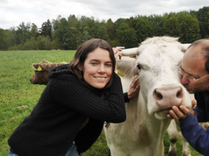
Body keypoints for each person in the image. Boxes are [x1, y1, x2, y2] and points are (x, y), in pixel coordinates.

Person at [8, 39, 139, 156]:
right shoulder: (64, 83)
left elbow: (90, 101)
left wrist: (125, 96)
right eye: (94, 63)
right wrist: (114, 74)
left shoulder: (82, 81)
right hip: (32, 150)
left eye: (108, 64)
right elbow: (116, 113)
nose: (102, 70)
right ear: (81, 65)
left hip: (63, 146)